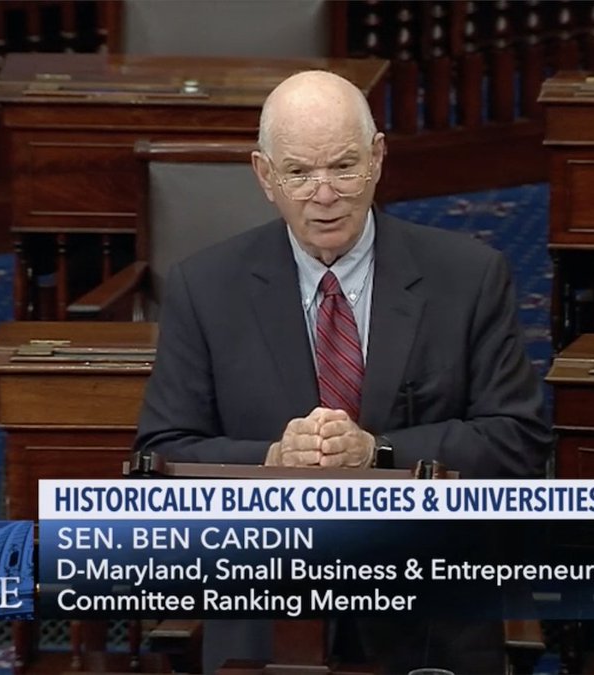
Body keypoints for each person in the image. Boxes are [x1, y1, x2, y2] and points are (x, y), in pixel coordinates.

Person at [135, 70, 552, 675]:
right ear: (265, 176)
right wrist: (273, 461)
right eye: (299, 173)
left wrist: (376, 453)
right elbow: (160, 459)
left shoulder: (468, 277)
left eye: (343, 166)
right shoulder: (205, 288)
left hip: (426, 615)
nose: (324, 194)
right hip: (265, 613)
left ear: (377, 158)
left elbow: (519, 444)